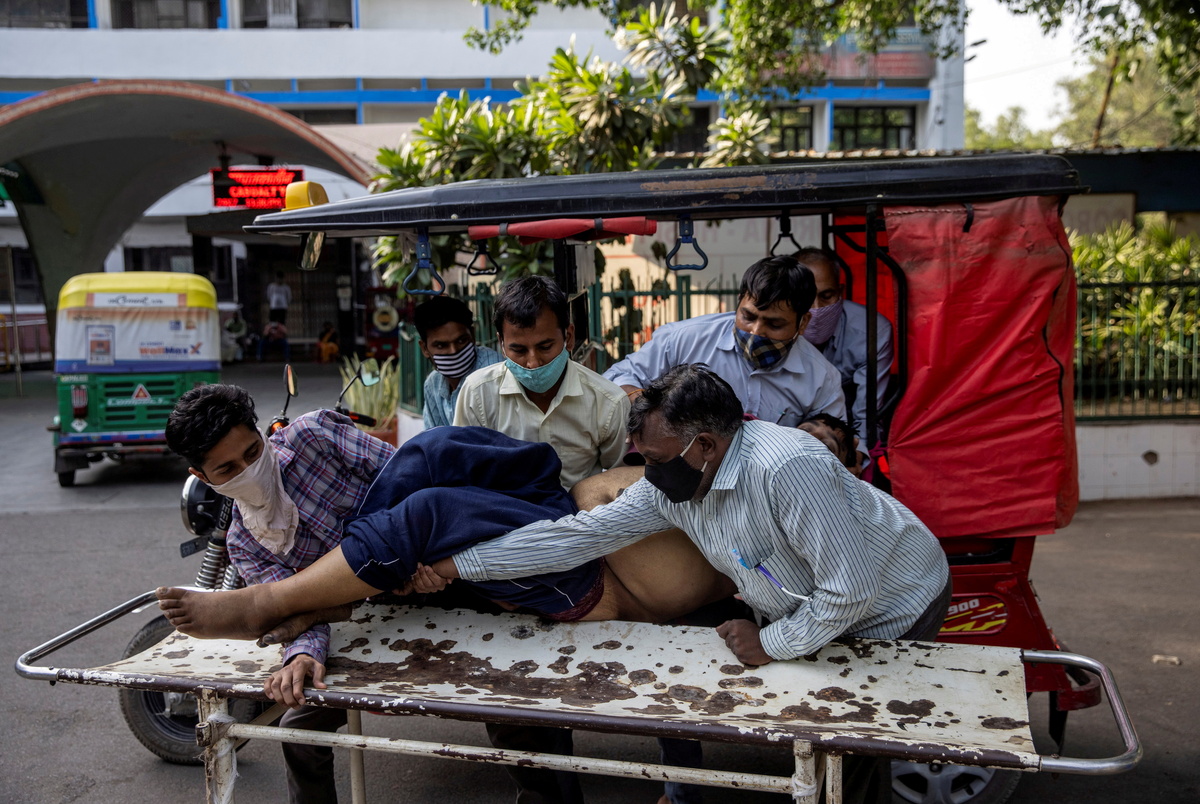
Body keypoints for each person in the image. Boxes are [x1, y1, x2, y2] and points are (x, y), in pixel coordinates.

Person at [165, 384, 395, 804]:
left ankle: (272, 603)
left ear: (261, 434)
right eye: (228, 469)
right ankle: (284, 606)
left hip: (432, 570)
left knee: (512, 716)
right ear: (202, 477)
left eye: (253, 452)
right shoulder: (244, 543)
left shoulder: (314, 436)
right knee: (297, 729)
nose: (248, 470)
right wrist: (304, 654)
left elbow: (408, 475)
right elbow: (304, 613)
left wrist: (425, 554)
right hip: (363, 619)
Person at [604, 255, 846, 427]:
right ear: (738, 302)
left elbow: (833, 440)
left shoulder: (822, 379)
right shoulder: (682, 339)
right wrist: (648, 407)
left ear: (803, 323)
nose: (756, 331)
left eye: (774, 324)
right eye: (748, 317)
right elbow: (616, 377)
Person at [454, 275, 629, 490]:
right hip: (502, 509)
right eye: (518, 350)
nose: (533, 362)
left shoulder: (609, 403)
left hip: (579, 510)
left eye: (545, 347)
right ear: (501, 344)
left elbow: (624, 481)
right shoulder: (477, 393)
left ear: (569, 337)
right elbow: (463, 473)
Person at [793, 247, 894, 454]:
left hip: (845, 436)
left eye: (827, 296)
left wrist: (858, 457)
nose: (816, 308)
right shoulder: (774, 327)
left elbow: (867, 416)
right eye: (806, 297)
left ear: (840, 292)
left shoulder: (871, 331)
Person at [414, 295, 502, 429]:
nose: (453, 351)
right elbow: (434, 437)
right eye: (441, 345)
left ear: (472, 335)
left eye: (461, 341)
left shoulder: (493, 374)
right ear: (425, 348)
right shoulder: (433, 385)